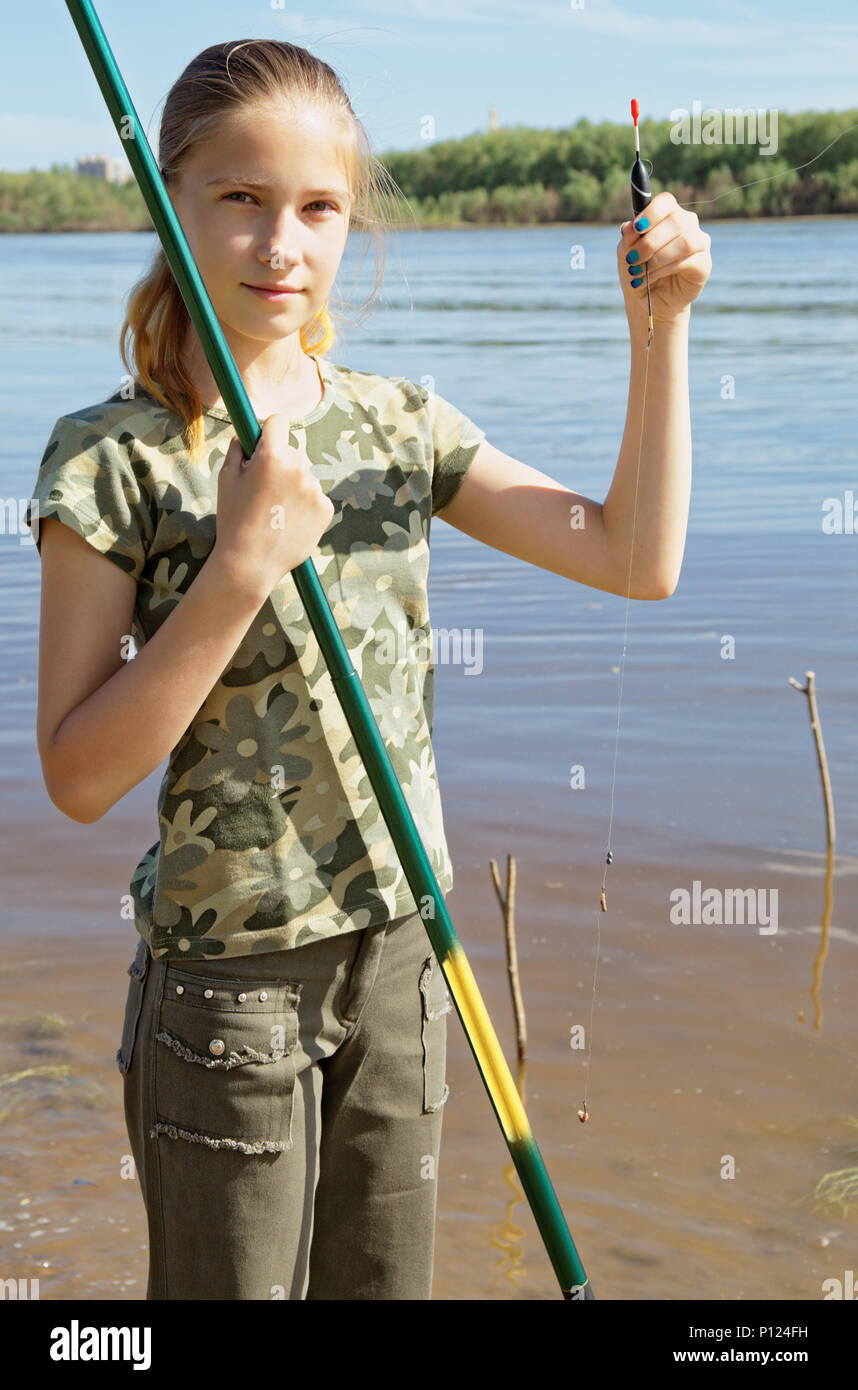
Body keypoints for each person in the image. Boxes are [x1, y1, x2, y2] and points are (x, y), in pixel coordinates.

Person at [25, 39, 711, 1300]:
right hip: (226, 988)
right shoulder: (110, 460)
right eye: (241, 199)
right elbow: (76, 772)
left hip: (406, 958)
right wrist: (239, 568)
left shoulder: (401, 427)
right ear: (170, 198)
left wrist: (658, 334)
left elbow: (633, 558)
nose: (282, 242)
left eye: (319, 207)